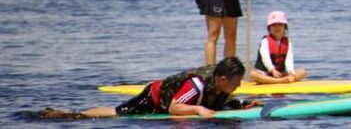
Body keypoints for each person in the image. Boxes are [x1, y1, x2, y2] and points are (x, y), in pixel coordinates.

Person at [42, 57, 257, 119]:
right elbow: (174, 108)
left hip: (171, 101)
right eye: (236, 81)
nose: (238, 85)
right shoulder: (197, 84)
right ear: (221, 79)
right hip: (154, 97)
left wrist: (243, 105)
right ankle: (75, 115)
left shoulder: (221, 87)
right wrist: (198, 110)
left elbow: (219, 100)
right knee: (117, 114)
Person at [251, 11, 308, 84]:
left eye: (280, 25)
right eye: (274, 25)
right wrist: (272, 70)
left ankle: (282, 80)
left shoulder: (288, 43)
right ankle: (280, 81)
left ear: (285, 27)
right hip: (266, 73)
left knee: (303, 71)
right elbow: (266, 58)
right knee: (253, 74)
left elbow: (289, 60)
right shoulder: (265, 41)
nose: (277, 28)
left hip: (281, 74)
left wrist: (290, 72)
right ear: (269, 28)